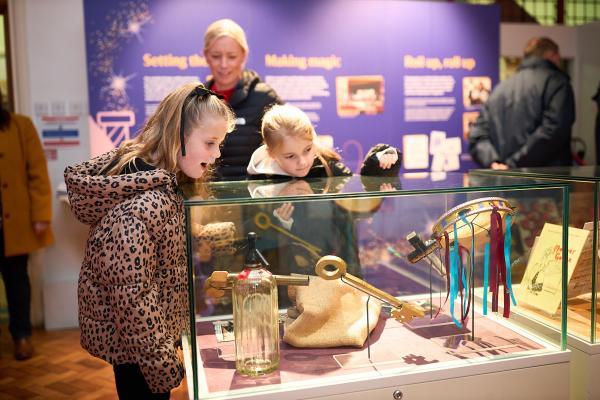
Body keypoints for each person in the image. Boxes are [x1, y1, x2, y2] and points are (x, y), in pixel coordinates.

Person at [64, 83, 235, 399]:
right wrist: (161, 364)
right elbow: (132, 297)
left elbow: (162, 245)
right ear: (177, 136)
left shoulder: (160, 183)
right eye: (210, 142)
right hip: (140, 350)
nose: (217, 154)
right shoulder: (141, 204)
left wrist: (224, 237)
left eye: (220, 144)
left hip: (150, 339)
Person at [0, 93, 54, 361]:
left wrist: (41, 214)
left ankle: (21, 336)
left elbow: (37, 172)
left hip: (12, 224)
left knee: (17, 280)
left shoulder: (20, 126)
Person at [468, 37, 575, 169]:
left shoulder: (500, 88)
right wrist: (513, 164)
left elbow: (477, 134)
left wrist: (494, 163)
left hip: (505, 182)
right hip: (547, 182)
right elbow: (554, 130)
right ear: (553, 55)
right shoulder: (557, 83)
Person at [204, 18, 282, 180]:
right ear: (206, 56)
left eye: (232, 56)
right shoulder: (196, 100)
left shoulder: (264, 98)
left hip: (252, 199)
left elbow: (296, 140)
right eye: (216, 56)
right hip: (206, 199)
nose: (224, 65)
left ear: (243, 55)